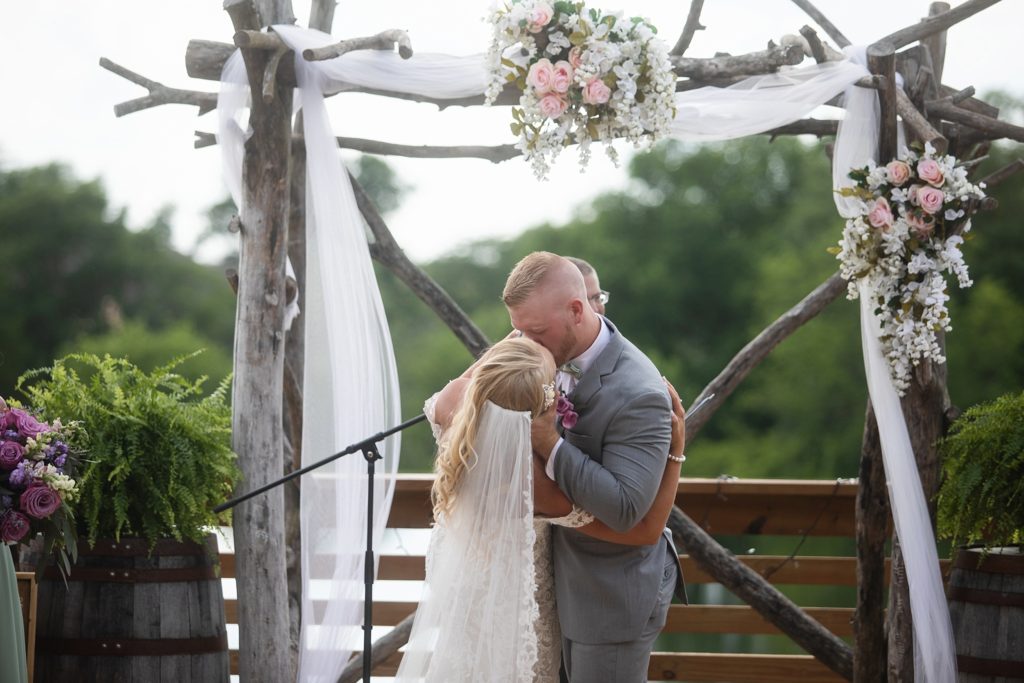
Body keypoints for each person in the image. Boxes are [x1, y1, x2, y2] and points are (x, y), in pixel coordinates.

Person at [394, 336, 686, 682]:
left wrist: (522, 339)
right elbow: (645, 530)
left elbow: (491, 374)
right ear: (543, 407)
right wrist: (675, 454)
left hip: (468, 608)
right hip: (519, 620)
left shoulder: (452, 413)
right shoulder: (537, 486)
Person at [504, 251, 683, 682]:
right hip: (559, 584)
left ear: (577, 310)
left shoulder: (638, 393)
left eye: (535, 332)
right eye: (517, 329)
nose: (523, 343)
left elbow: (625, 508)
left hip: (610, 592)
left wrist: (548, 442)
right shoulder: (543, 343)